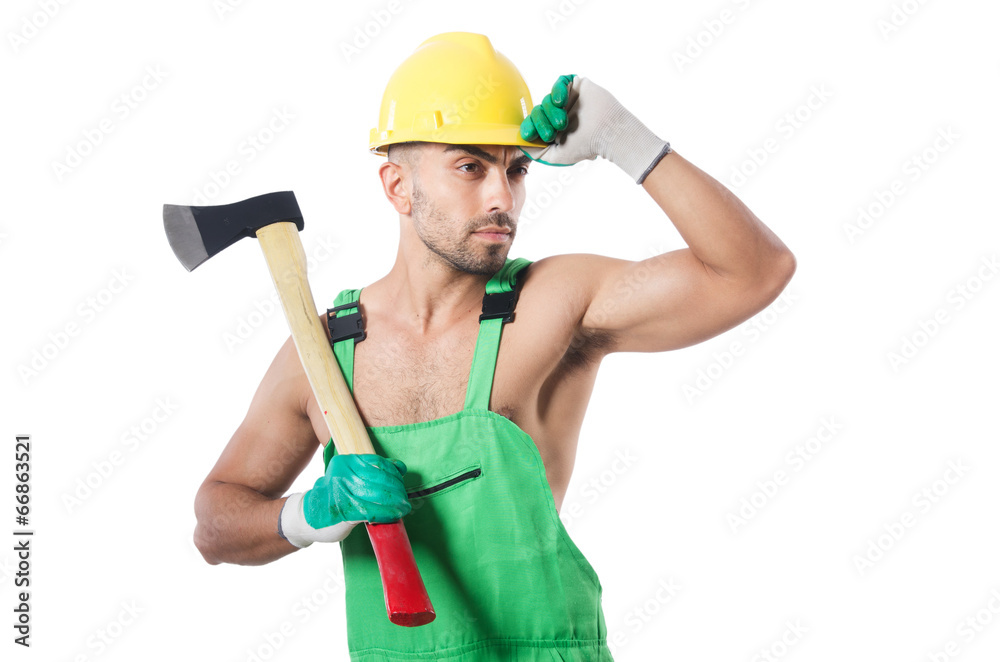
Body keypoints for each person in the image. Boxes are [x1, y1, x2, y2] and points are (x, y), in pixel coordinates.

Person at [193, 32, 795, 661]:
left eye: (516, 169)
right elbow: (216, 524)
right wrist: (306, 516)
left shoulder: (555, 302)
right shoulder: (324, 352)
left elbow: (753, 271)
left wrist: (626, 140)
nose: (502, 198)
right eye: (470, 166)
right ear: (398, 186)